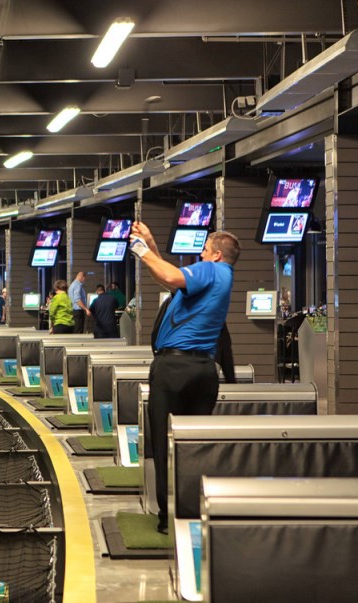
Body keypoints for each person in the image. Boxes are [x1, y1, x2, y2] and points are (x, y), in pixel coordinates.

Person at [130, 222, 239, 534]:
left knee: (166, 442)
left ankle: (169, 517)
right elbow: (167, 279)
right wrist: (150, 244)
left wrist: (139, 251)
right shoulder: (219, 278)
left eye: (205, 250)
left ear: (216, 255)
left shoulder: (210, 270)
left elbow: (169, 275)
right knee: (193, 445)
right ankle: (192, 507)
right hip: (203, 370)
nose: (200, 254)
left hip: (174, 369)